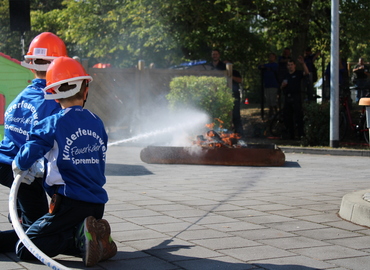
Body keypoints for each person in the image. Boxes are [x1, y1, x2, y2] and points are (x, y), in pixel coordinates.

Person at [11, 56, 117, 266]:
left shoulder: (52, 123)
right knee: (56, 229)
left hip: (69, 204)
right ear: (85, 89)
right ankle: (95, 239)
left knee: (25, 247)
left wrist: (19, 165)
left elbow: (25, 156)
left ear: (53, 94)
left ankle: (79, 239)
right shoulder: (97, 122)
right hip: (97, 206)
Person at [0, 32, 66, 252]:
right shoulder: (53, 100)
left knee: (32, 218)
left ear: (31, 65)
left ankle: (18, 215)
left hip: (6, 162)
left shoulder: (24, 94)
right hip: (23, 172)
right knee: (36, 238)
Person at [281, 56, 309, 139]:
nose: (290, 66)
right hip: (287, 97)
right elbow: (281, 86)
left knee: (298, 116)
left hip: (296, 97)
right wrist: (282, 86)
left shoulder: (298, 73)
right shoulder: (285, 75)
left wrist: (303, 64)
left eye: (291, 65)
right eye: (289, 65)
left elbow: (307, 73)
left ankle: (301, 134)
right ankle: (291, 134)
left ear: (294, 65)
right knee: (288, 117)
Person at [224, 60, 244, 135]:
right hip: (224, 96)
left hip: (235, 95)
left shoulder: (235, 72)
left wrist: (230, 76)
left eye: (228, 64)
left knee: (236, 115)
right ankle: (226, 133)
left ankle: (239, 133)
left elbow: (240, 80)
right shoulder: (221, 72)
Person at [258, 53, 279, 118]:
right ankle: (271, 114)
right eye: (270, 56)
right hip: (267, 85)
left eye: (272, 57)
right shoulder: (266, 65)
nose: (271, 58)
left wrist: (266, 67)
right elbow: (259, 67)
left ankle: (275, 114)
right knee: (268, 100)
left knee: (273, 100)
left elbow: (274, 68)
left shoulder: (276, 65)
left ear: (275, 58)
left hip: (273, 85)